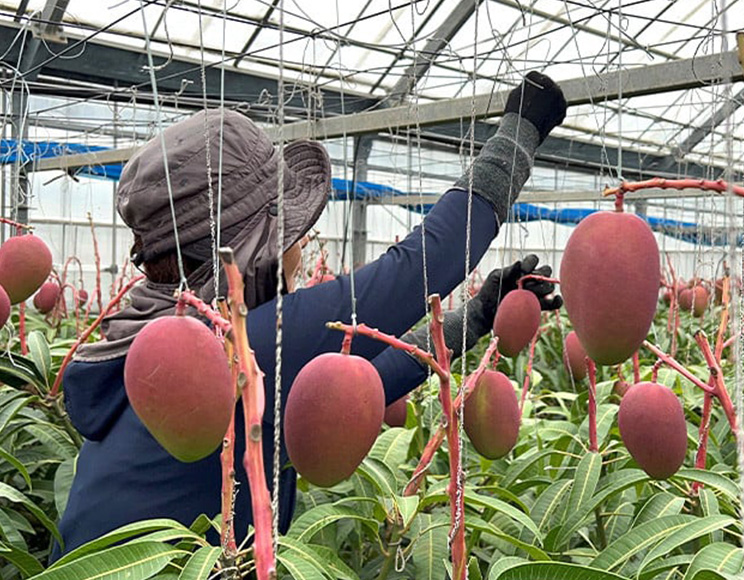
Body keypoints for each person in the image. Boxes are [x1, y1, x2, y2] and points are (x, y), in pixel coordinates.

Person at [54, 71, 568, 557]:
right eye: (293, 232)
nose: (301, 246)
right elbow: (421, 265)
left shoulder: (159, 335)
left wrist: (475, 317)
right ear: (258, 245)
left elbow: (361, 383)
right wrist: (519, 132)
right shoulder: (239, 341)